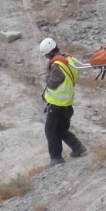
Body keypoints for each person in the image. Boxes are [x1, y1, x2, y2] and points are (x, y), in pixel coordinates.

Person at [39, 37, 87, 166]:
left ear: (50, 52)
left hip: (56, 105)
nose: (46, 58)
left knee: (51, 131)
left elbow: (51, 83)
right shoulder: (68, 60)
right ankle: (78, 147)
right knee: (61, 130)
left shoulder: (57, 66)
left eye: (46, 55)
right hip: (67, 105)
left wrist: (47, 72)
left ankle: (56, 158)